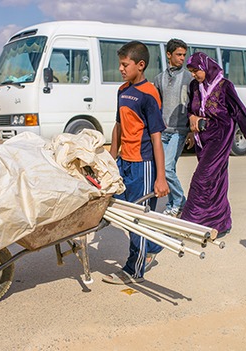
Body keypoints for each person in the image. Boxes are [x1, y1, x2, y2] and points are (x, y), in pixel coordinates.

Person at [103, 41, 169, 285]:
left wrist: (160, 177)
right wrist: (111, 157)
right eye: (119, 64)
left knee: (136, 218)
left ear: (140, 65)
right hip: (124, 161)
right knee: (115, 206)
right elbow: (118, 125)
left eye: (124, 64)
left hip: (144, 164)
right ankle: (152, 245)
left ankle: (134, 269)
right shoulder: (122, 90)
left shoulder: (149, 94)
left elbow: (156, 138)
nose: (120, 68)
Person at [180, 52, 246, 238]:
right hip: (201, 139)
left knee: (202, 178)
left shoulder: (225, 86)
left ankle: (191, 222)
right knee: (217, 180)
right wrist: (192, 119)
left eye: (196, 70)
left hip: (220, 136)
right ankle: (220, 222)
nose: (194, 74)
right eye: (191, 71)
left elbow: (240, 113)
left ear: (206, 67)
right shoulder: (195, 86)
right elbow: (190, 109)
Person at [153, 39, 193, 218]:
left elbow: (194, 104)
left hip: (179, 131)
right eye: (179, 54)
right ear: (169, 55)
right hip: (163, 132)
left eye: (184, 55)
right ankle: (173, 203)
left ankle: (179, 202)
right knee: (166, 168)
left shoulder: (189, 78)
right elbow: (156, 106)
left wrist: (192, 130)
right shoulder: (159, 78)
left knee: (167, 168)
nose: (182, 58)